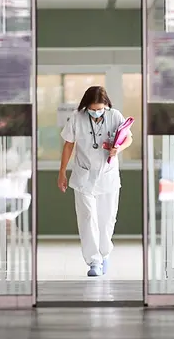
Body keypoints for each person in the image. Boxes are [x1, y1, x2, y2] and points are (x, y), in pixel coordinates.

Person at [57, 86, 133, 277]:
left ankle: (105, 254)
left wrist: (119, 149)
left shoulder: (115, 116)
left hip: (108, 175)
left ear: (106, 105)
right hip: (83, 176)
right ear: (86, 106)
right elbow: (68, 145)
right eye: (93, 108)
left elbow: (128, 138)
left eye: (100, 108)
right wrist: (62, 172)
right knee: (87, 218)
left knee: (107, 219)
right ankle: (94, 262)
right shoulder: (76, 117)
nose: (96, 112)